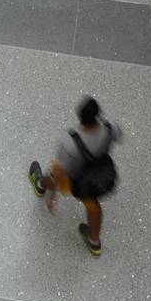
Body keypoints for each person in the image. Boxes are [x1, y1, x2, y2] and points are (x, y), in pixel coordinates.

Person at [28, 96, 123, 256]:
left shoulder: (71, 142)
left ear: (80, 117)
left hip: (78, 181)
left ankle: (39, 185)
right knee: (93, 206)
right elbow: (116, 139)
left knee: (52, 175)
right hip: (100, 178)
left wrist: (52, 195)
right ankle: (94, 242)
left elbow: (60, 173)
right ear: (97, 115)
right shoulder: (111, 127)